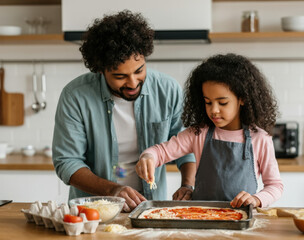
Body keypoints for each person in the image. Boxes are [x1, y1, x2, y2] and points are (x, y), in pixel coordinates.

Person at [52, 10, 196, 212]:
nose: (133, 83)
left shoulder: (168, 90)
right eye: (120, 76)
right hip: (95, 211)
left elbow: (187, 146)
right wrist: (113, 190)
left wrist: (188, 185)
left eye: (139, 71)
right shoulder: (75, 96)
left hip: (151, 208)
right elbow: (67, 162)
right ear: (100, 70)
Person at [136, 53, 284, 208]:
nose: (214, 110)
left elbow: (275, 186)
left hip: (241, 220)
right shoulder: (199, 133)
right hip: (200, 217)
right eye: (208, 102)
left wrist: (256, 199)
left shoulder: (260, 139)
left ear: (243, 99)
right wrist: (149, 157)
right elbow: (161, 152)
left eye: (222, 103)